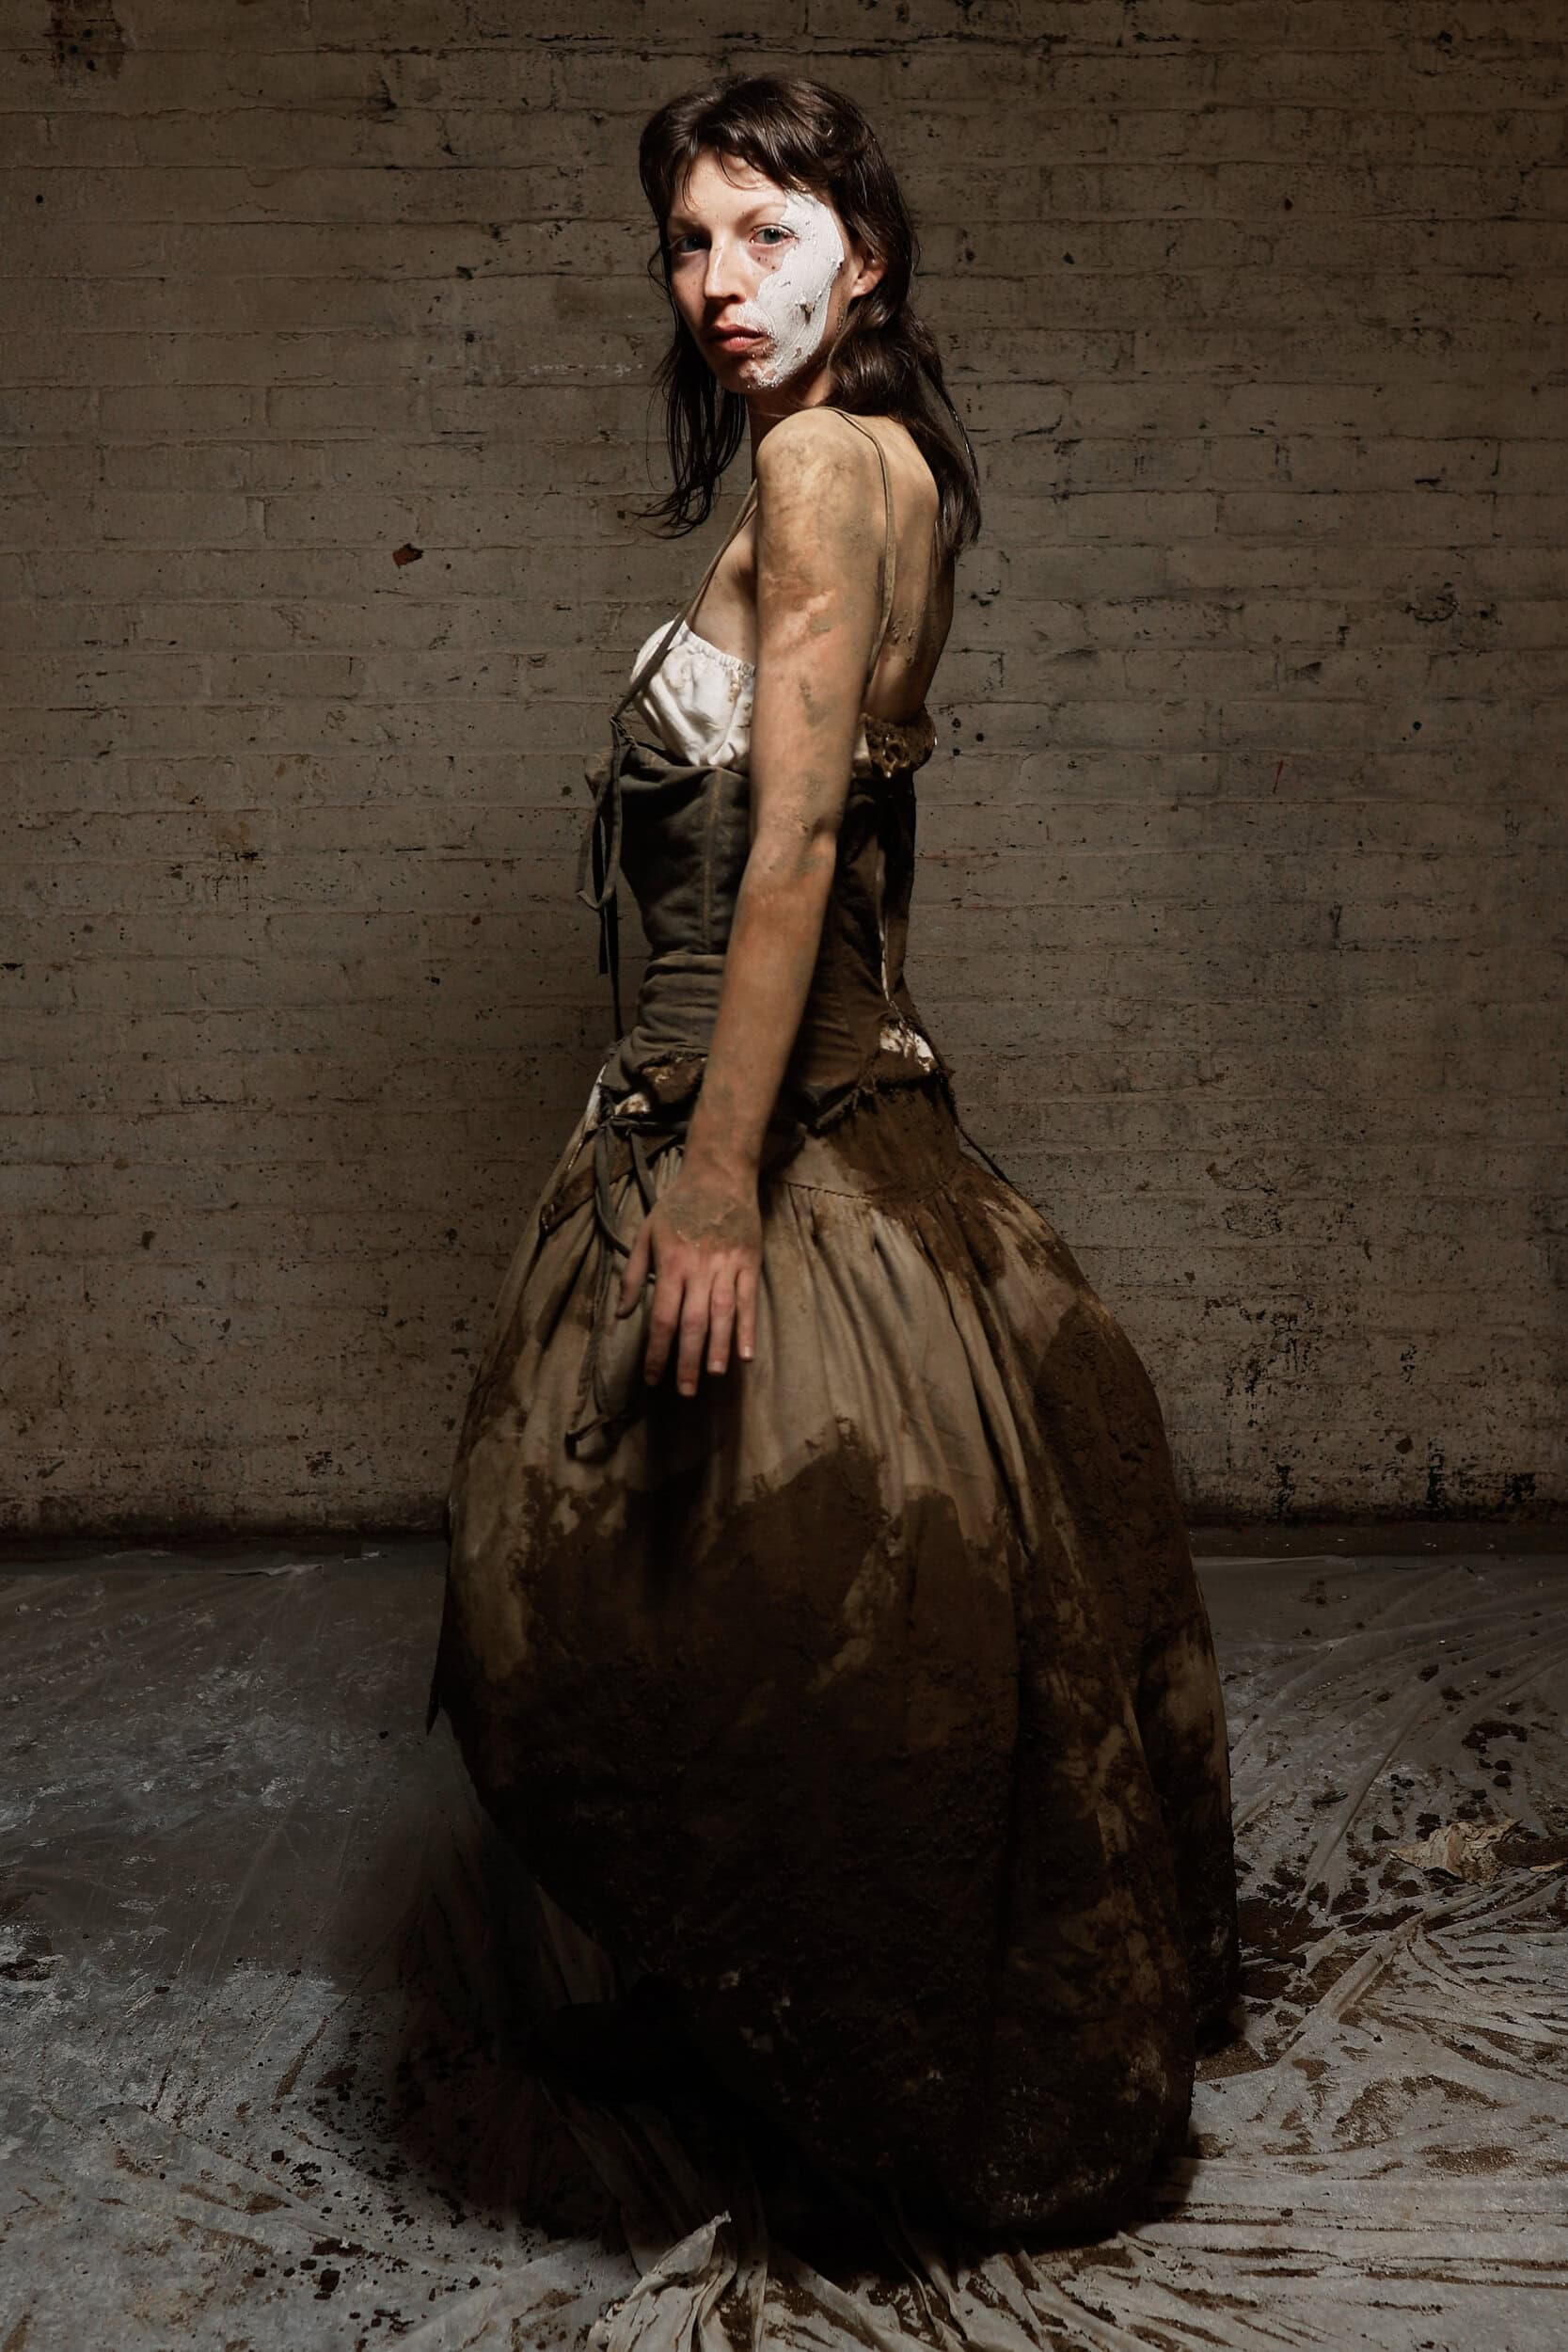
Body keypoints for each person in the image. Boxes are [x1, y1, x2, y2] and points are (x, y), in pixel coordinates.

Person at [427, 71, 1240, 2245]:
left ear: (861, 258)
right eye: (688, 240)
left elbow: (793, 841)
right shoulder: (906, 471)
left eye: (764, 232)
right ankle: (808, 2017)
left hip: (751, 1115)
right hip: (862, 1093)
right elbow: (869, 823)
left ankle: (848, 2072)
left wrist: (713, 1181)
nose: (716, 278)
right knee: (825, 1614)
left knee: (603, 1602)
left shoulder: (808, 467)